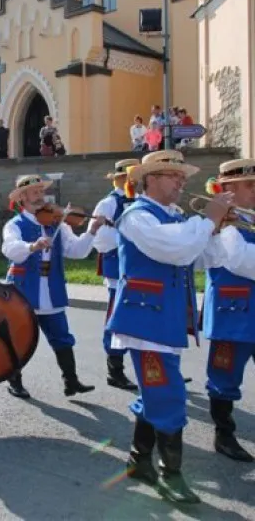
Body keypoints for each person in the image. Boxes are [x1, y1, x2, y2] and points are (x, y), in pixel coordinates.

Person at [106, 150, 233, 504]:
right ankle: (170, 473)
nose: (181, 182)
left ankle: (138, 460)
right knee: (170, 395)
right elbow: (174, 250)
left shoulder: (173, 216)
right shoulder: (136, 216)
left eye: (182, 176)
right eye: (173, 176)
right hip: (145, 321)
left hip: (163, 319)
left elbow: (202, 257)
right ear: (150, 180)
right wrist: (207, 222)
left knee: (157, 392)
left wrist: (218, 230)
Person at [2, 175, 105, 399]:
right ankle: (15, 381)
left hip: (51, 289)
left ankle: (71, 381)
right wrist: (32, 246)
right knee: (19, 339)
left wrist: (91, 231)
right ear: (22, 198)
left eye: (42, 191)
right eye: (35, 192)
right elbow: (10, 250)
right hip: (24, 290)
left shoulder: (57, 223)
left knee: (62, 337)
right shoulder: (15, 225)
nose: (41, 196)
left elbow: (77, 251)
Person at [201, 159, 255, 463]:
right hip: (232, 313)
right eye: (250, 186)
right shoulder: (226, 225)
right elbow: (243, 261)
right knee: (224, 376)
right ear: (228, 191)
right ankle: (224, 434)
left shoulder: (248, 219)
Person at [90, 160, 139, 391]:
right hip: (118, 269)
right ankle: (115, 370)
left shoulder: (140, 200)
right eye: (133, 176)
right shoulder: (108, 203)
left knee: (142, 319)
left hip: (140, 270)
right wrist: (131, 239)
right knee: (118, 319)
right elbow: (99, 240)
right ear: (121, 179)